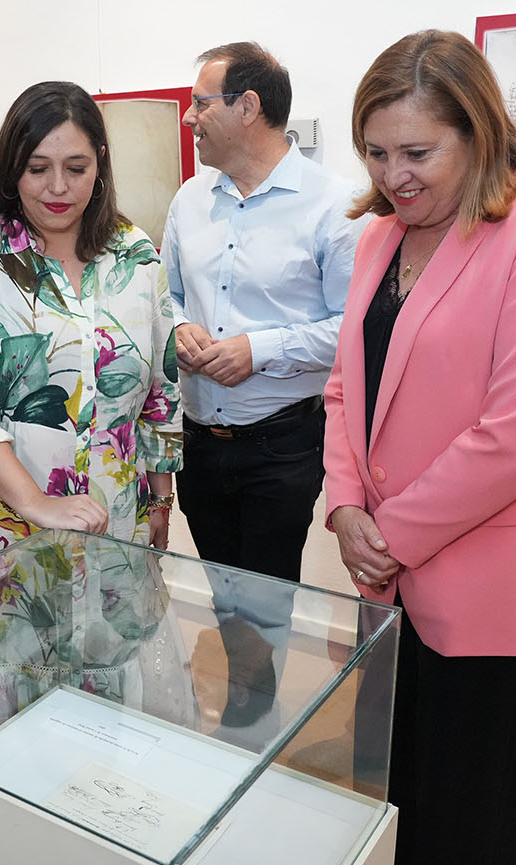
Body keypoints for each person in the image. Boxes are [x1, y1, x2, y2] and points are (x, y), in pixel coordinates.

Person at [323, 31, 516, 865]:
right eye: (374, 153)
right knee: (393, 794)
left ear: (475, 132)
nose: (392, 175)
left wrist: (389, 533)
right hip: (387, 576)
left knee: (465, 823)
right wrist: (343, 503)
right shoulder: (379, 237)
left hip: (485, 587)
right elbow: (346, 387)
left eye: (416, 151)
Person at [0, 81, 181, 581]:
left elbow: (160, 389)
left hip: (113, 519)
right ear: (12, 168)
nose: (58, 188)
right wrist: (36, 503)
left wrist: (160, 499)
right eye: (38, 169)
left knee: (105, 656)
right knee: (8, 659)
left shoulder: (135, 254)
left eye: (76, 168)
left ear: (101, 163)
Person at [162, 41, 366, 584]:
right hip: (198, 441)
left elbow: (356, 328)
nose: (190, 117)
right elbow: (166, 294)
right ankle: (239, 667)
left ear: (247, 107)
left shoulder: (338, 205)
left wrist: (260, 350)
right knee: (224, 595)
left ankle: (256, 671)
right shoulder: (189, 200)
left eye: (201, 103)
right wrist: (178, 327)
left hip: (284, 447)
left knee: (268, 604)